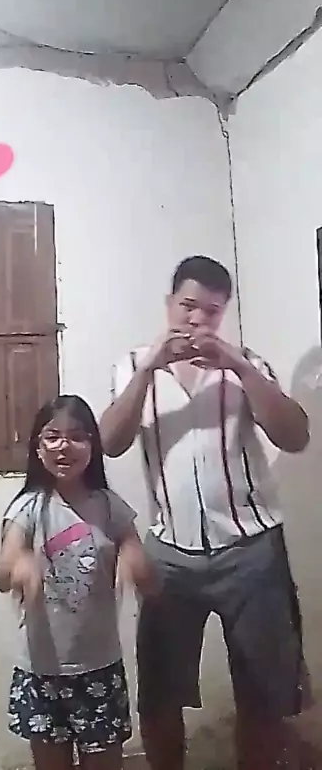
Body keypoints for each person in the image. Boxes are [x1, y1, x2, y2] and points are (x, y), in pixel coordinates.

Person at [99, 255, 311, 770]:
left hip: (252, 552)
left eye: (211, 312)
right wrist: (149, 368)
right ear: (169, 303)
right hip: (169, 554)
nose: (197, 320)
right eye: (188, 306)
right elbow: (109, 442)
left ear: (224, 314)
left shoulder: (247, 365)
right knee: (159, 695)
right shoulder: (133, 366)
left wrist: (239, 366)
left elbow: (295, 436)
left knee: (262, 692)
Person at [0, 395, 153, 770]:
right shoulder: (28, 507)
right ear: (38, 448)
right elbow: (1, 573)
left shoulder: (109, 505)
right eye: (53, 437)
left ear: (93, 447)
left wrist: (133, 556)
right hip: (41, 671)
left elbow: (137, 555)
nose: (64, 446)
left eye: (77, 436)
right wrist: (19, 566)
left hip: (99, 667)